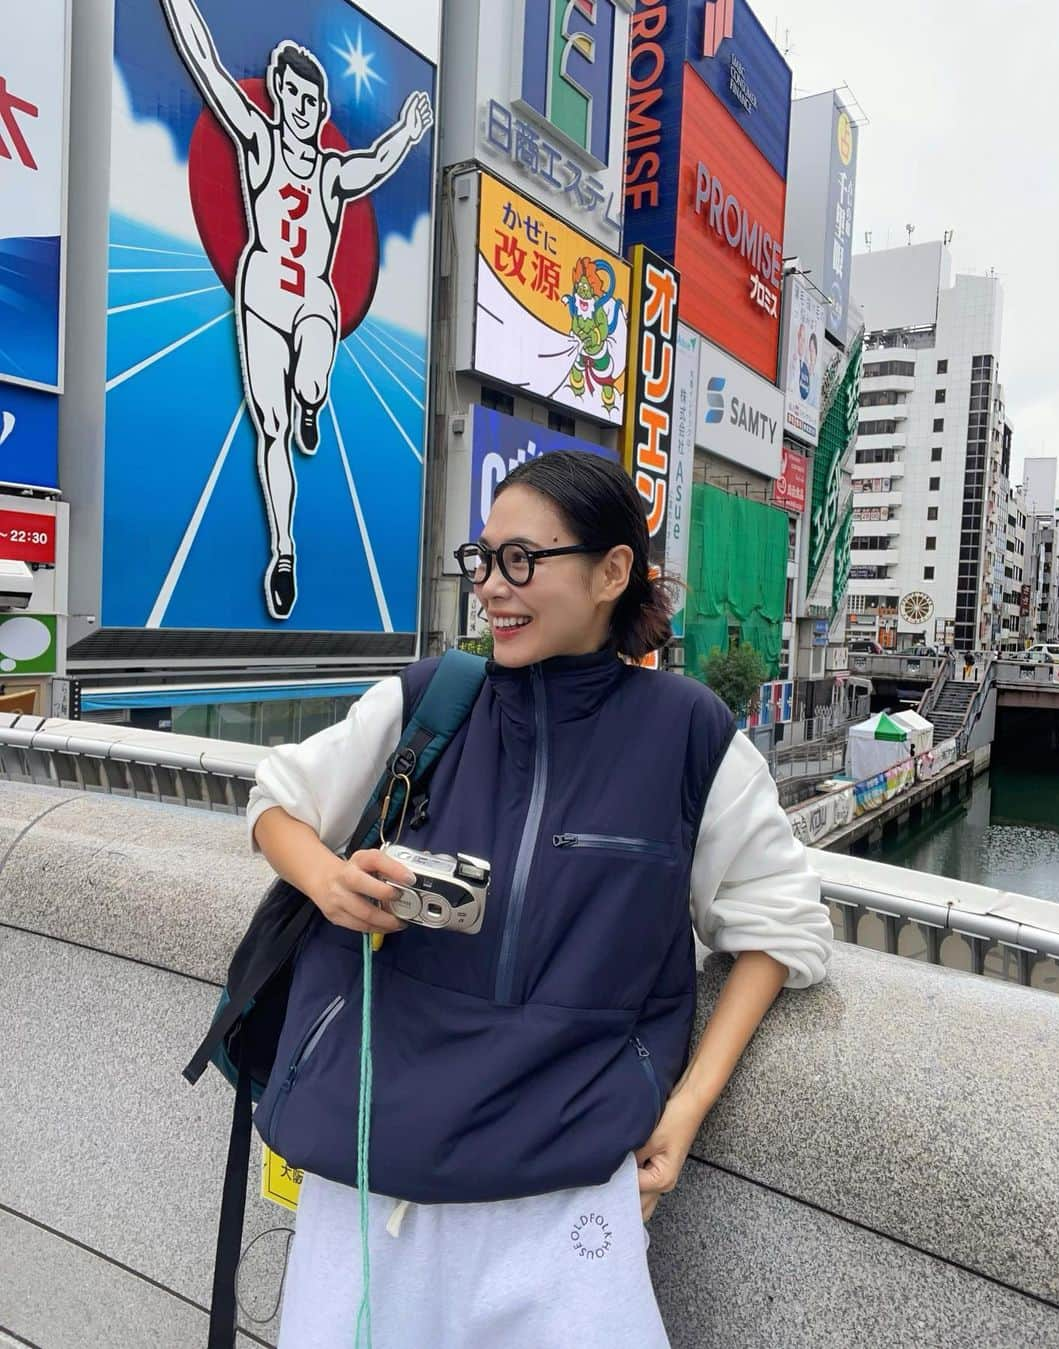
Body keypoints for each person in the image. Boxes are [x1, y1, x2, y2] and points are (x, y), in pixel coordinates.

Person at [248, 451, 832, 1348]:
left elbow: (779, 925)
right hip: (371, 1175)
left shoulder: (686, 732)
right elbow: (277, 799)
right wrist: (329, 879)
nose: (491, 587)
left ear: (611, 571)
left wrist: (683, 1113)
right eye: (481, 559)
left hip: (564, 1197)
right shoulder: (434, 700)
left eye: (522, 560)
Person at [160, 0, 433, 619]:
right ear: (279, 98)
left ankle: (314, 398)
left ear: (321, 108)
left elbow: (375, 166)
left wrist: (409, 134)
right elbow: (205, 65)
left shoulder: (331, 173)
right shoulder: (257, 143)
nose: (300, 109)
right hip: (259, 293)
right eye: (290, 95)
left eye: (311, 101)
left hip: (311, 296)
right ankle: (283, 550)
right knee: (271, 430)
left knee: (311, 372)